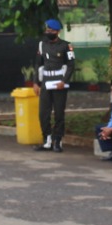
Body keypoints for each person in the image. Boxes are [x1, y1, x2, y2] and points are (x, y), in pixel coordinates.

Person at [34, 18, 75, 152]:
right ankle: (47, 140)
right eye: (47, 30)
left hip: (59, 82)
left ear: (57, 31)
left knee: (59, 113)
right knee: (43, 113)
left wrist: (64, 81)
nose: (48, 32)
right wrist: (36, 82)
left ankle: (57, 141)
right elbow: (38, 64)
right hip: (46, 81)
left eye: (50, 30)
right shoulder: (42, 45)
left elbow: (70, 65)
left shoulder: (66, 46)